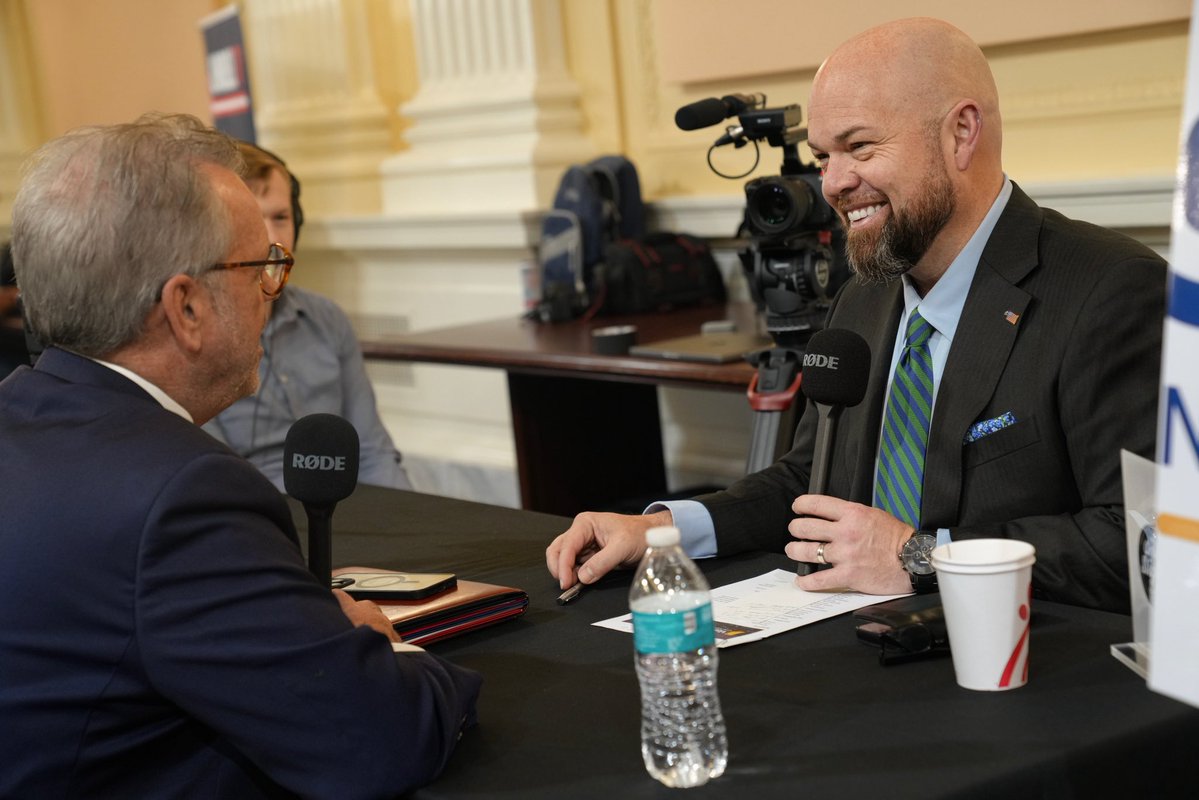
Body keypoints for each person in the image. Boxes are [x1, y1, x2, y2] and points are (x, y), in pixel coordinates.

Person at [547, 17, 1167, 614]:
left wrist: (920, 557)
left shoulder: (1110, 291)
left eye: (860, 146)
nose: (834, 184)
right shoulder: (863, 295)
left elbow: (1139, 543)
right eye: (822, 157)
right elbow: (810, 482)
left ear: (962, 133)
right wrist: (663, 531)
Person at [0, 114, 480, 798]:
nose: (270, 290)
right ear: (186, 308)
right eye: (262, 266)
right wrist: (383, 643)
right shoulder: (183, 495)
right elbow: (379, 739)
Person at [202, 142, 413, 492]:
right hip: (261, 515)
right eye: (255, 218)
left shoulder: (327, 319)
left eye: (281, 218)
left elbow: (373, 451)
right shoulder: (198, 335)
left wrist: (413, 527)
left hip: (352, 507)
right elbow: (215, 481)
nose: (273, 237)